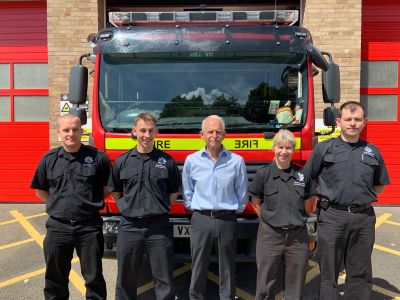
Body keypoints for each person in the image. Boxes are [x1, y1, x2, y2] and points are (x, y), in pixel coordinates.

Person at [303, 101, 390, 299]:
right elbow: (307, 179)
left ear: (365, 122)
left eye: (357, 119)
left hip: (363, 218)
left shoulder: (372, 151)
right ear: (339, 121)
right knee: (329, 271)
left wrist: (358, 198)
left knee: (360, 270)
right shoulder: (324, 149)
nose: (353, 123)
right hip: (332, 217)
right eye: (348, 119)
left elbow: (380, 185)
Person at [30, 113, 111, 299]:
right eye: (66, 130)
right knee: (54, 279)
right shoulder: (49, 159)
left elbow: (107, 188)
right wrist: (58, 205)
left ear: (82, 131)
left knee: (94, 278)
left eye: (75, 129)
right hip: (58, 228)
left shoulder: (98, 158)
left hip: (89, 227)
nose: (70, 133)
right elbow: (40, 190)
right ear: (58, 132)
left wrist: (89, 203)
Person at [108, 112, 181, 300]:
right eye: (142, 130)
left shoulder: (167, 162)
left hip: (158, 227)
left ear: (156, 132)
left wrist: (162, 207)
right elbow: (115, 190)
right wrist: (125, 207)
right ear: (134, 131)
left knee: (164, 277)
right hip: (129, 226)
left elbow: (174, 191)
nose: (146, 135)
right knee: (126, 277)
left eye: (150, 131)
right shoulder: (122, 161)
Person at [182, 115, 248, 300]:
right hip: (200, 219)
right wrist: (193, 207)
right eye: (210, 131)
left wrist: (236, 209)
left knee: (227, 267)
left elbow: (242, 191)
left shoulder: (236, 161)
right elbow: (188, 191)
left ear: (224, 134)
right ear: (201, 135)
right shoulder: (191, 161)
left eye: (218, 131)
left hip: (226, 219)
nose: (214, 135)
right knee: (198, 265)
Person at [249, 129, 313, 300]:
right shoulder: (263, 174)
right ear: (274, 148)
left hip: (297, 236)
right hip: (270, 234)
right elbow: (255, 201)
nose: (284, 151)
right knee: (265, 281)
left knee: (296, 282)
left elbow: (308, 202)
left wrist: (295, 217)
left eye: (288, 148)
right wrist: (269, 219)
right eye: (280, 147)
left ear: (293, 150)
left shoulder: (302, 175)